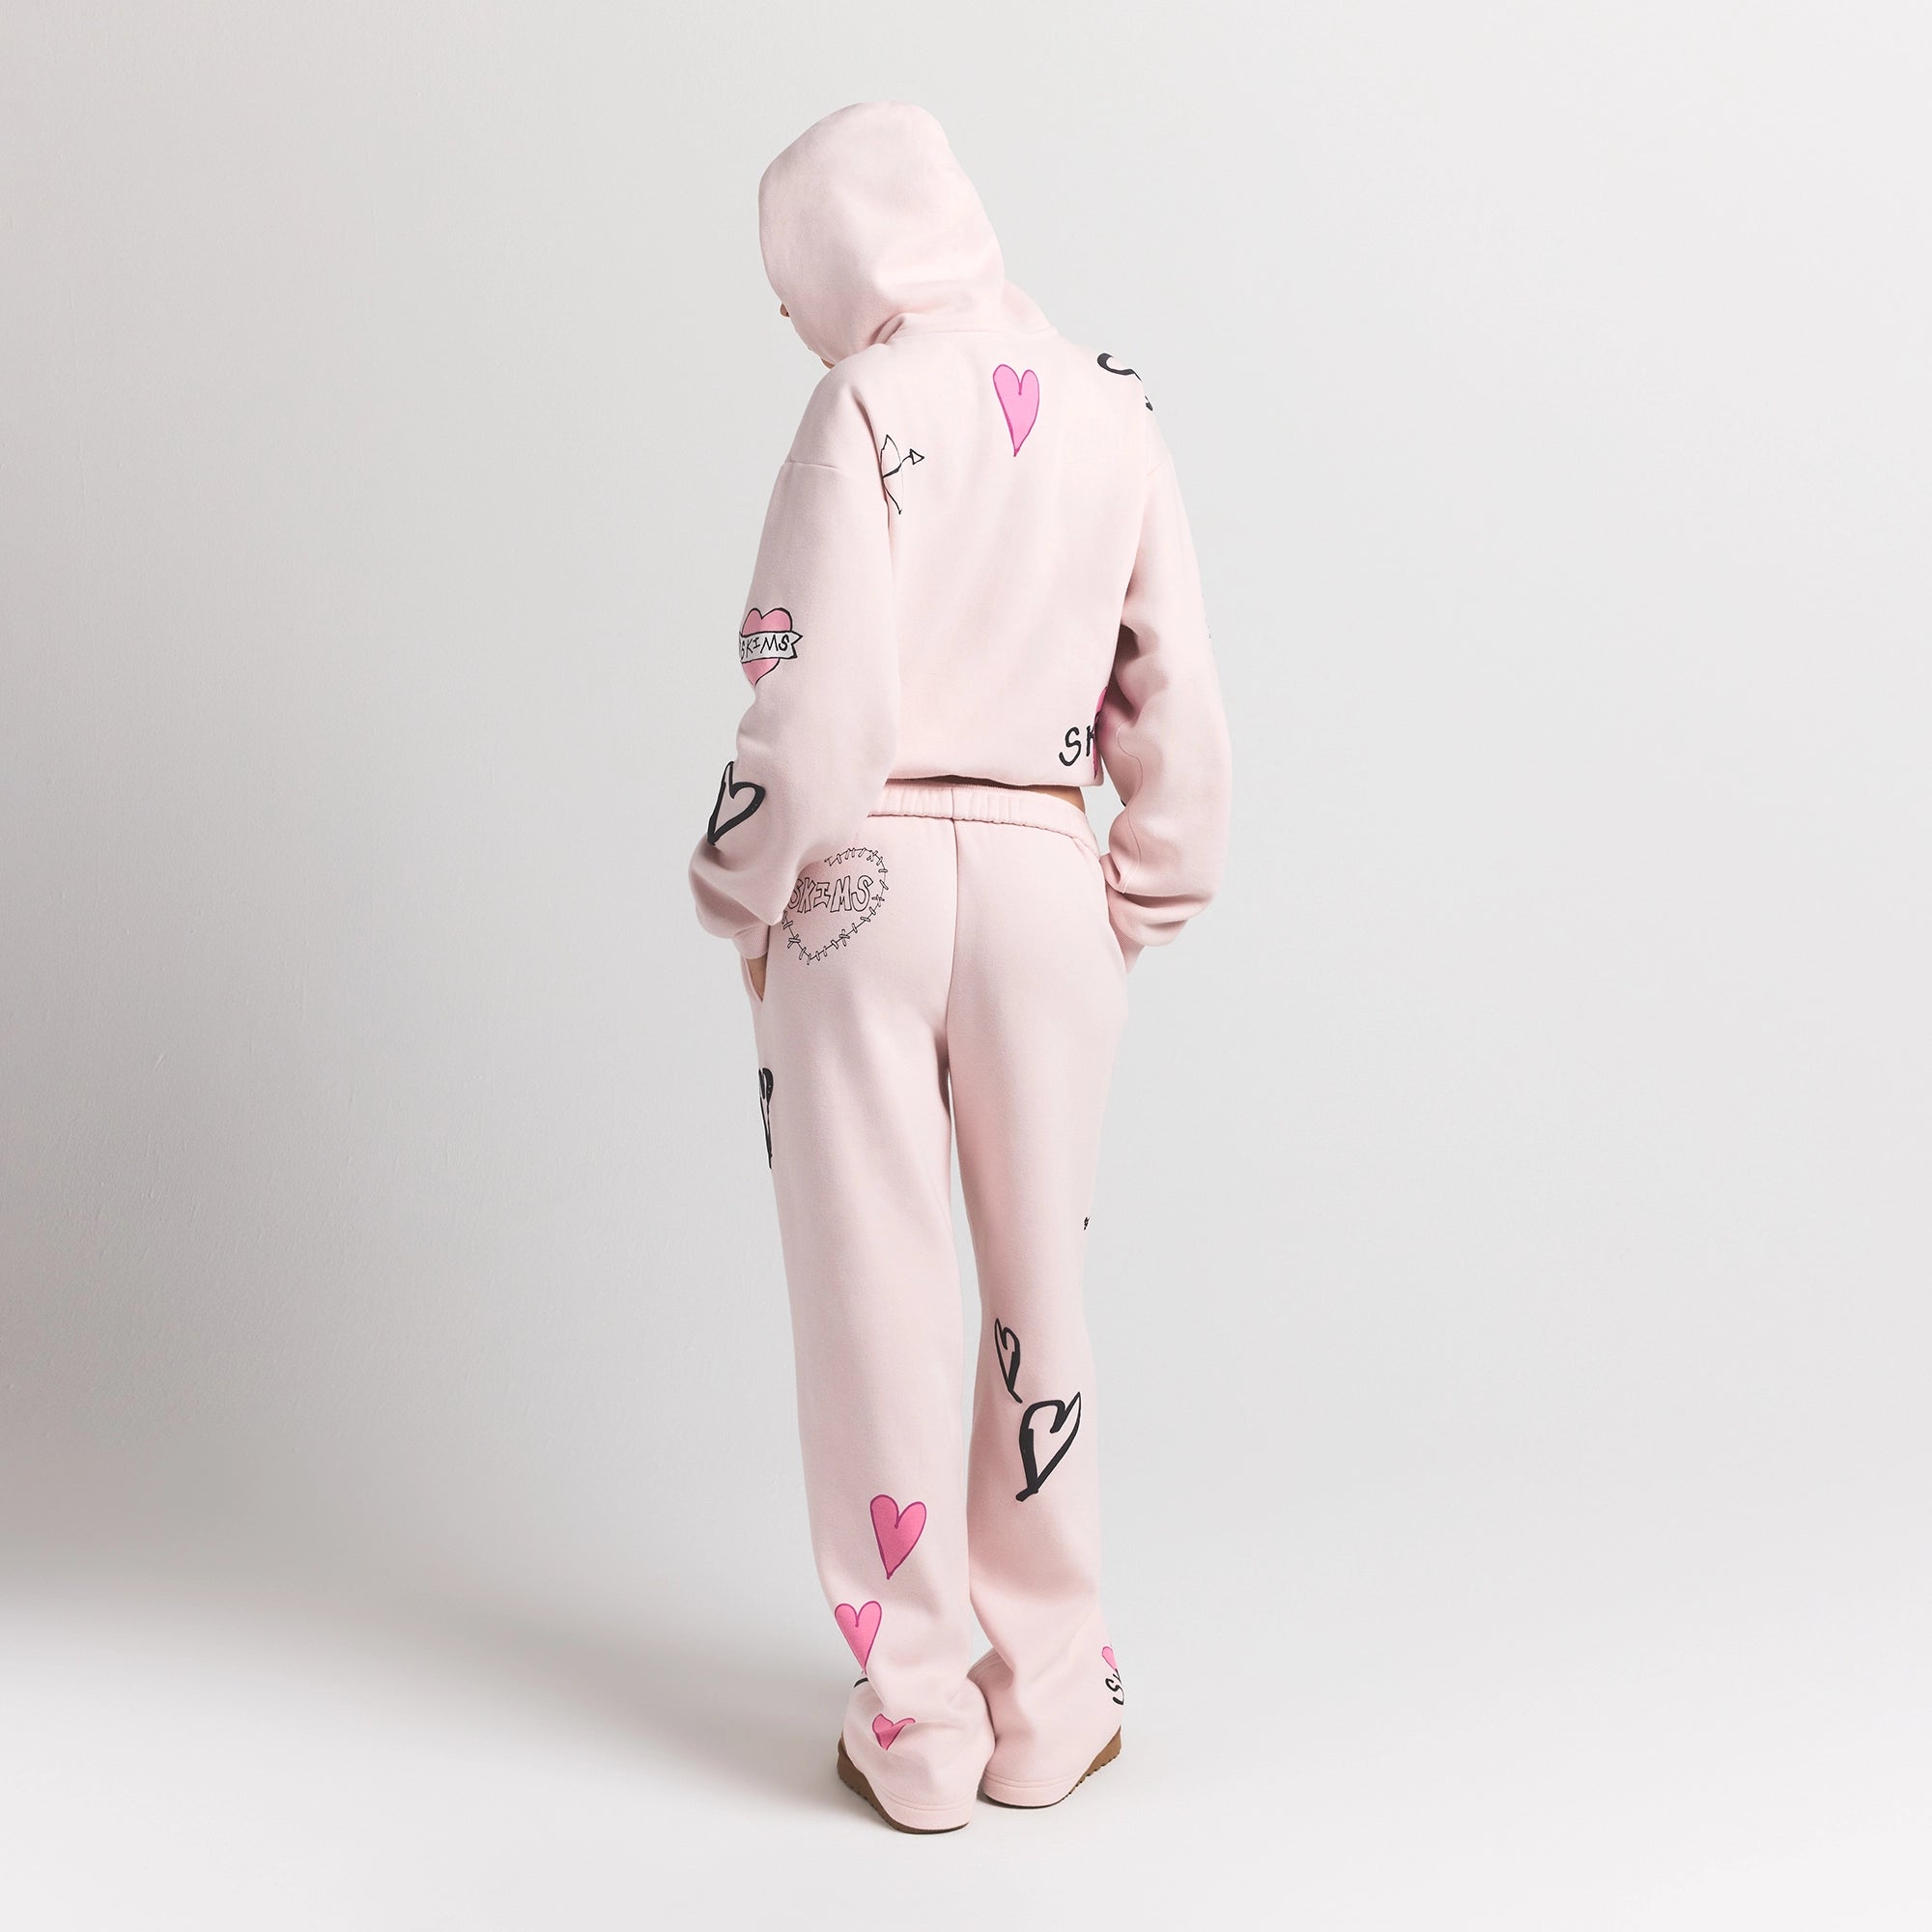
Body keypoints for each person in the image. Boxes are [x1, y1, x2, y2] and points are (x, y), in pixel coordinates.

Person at [689, 101, 1231, 1833]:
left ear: (839, 255)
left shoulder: (862, 401)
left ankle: (915, 1722)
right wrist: (1135, 892)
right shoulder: (1113, 409)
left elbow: (818, 702)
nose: (791, 314)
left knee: (875, 1295)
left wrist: (736, 890)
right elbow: (1173, 699)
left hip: (858, 878)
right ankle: (1052, 1701)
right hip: (1044, 874)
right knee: (1035, 1294)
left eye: (790, 277)